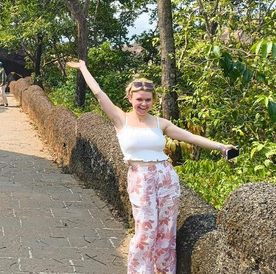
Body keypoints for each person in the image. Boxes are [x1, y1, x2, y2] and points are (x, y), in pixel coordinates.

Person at [66, 60, 236, 274]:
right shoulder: (121, 119)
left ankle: (164, 271)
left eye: (148, 100)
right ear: (130, 98)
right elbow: (99, 94)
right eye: (139, 100)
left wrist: (221, 146)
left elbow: (190, 137)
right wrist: (83, 68)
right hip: (140, 178)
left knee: (166, 231)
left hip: (165, 177)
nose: (143, 104)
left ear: (153, 100)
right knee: (145, 231)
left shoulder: (159, 123)